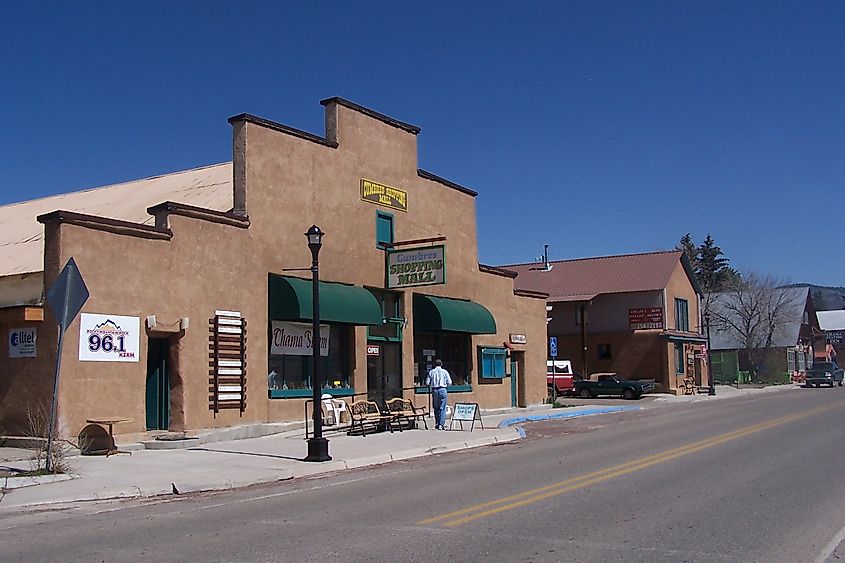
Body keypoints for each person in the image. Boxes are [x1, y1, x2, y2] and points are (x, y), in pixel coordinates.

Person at [425, 359, 452, 430]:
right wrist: (445, 385)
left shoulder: (431, 372)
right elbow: (449, 382)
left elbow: (427, 382)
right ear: (441, 364)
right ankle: (441, 424)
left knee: (436, 407)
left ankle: (437, 423)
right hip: (443, 389)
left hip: (435, 390)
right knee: (442, 408)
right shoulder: (445, 372)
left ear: (435, 364)